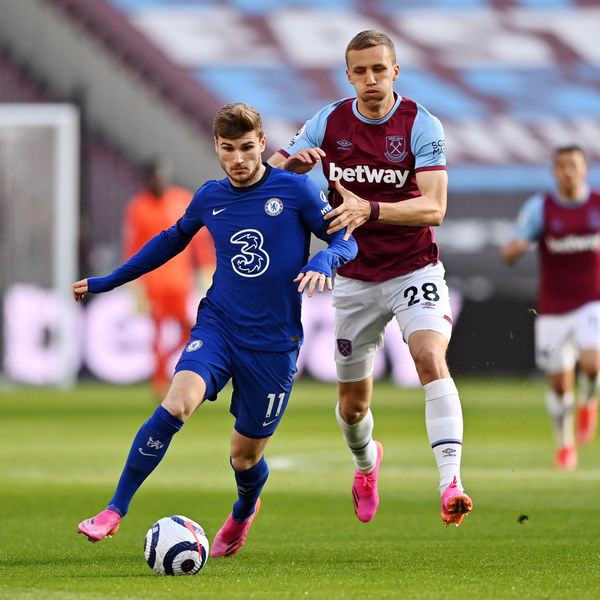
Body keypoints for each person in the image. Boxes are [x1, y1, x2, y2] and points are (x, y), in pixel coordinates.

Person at [74, 103, 358, 556]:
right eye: (228, 149)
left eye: (246, 148)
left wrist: (325, 258)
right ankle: (114, 509)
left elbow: (346, 237)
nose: (238, 159)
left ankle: (244, 510)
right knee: (176, 404)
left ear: (262, 144)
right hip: (219, 325)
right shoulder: (210, 196)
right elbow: (168, 242)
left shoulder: (296, 189)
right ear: (217, 147)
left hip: (273, 343)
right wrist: (109, 281)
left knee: (244, 458)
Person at [268, 30, 472, 526]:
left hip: (413, 268)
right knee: (354, 407)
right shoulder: (327, 122)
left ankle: (451, 483)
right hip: (354, 277)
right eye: (360, 71)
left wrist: (370, 209)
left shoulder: (421, 124)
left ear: (395, 71)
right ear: (349, 76)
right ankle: (366, 465)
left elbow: (435, 207)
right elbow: (266, 179)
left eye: (379, 69)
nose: (371, 79)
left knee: (429, 357)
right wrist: (288, 166)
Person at [501, 145, 600, 470]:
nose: (568, 172)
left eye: (573, 165)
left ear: (584, 169)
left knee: (593, 364)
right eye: (561, 166)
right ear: (554, 171)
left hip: (592, 300)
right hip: (554, 306)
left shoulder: (597, 204)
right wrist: (514, 250)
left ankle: (588, 401)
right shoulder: (540, 208)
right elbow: (512, 248)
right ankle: (565, 444)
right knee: (559, 384)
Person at [123, 158, 216, 398]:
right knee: (157, 332)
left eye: (163, 176)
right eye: (155, 177)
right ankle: (159, 381)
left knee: (189, 330)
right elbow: (133, 247)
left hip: (180, 282)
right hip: (154, 283)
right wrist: (135, 284)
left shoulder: (182, 200)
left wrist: (206, 270)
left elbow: (199, 241)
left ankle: (165, 366)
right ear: (147, 179)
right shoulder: (139, 207)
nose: (160, 181)